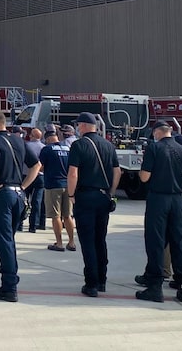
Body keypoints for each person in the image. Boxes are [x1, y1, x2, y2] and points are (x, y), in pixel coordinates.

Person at [0, 109, 40, 302]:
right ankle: (11, 279)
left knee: (3, 240)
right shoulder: (19, 141)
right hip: (19, 194)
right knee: (10, 239)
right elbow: (36, 165)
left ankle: (9, 285)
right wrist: (23, 186)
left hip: (3, 194)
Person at [134, 121, 182, 303]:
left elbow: (145, 177)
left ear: (157, 133)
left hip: (158, 198)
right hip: (177, 199)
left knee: (156, 242)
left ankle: (155, 286)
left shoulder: (154, 148)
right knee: (179, 241)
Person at [67, 111, 121, 297]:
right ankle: (102, 280)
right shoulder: (108, 145)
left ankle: (91, 283)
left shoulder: (78, 145)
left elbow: (73, 173)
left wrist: (71, 194)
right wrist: (111, 192)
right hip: (103, 196)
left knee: (88, 241)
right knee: (100, 239)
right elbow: (117, 171)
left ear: (82, 126)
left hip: (85, 196)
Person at [39, 128, 76, 252]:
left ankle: (59, 243)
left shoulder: (47, 149)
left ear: (48, 139)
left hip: (53, 185)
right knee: (68, 215)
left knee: (56, 216)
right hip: (67, 185)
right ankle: (71, 242)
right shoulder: (67, 149)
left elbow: (41, 167)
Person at [25, 127, 45, 232]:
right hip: (40, 176)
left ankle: (19, 223)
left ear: (31, 136)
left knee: (24, 200)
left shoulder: (26, 146)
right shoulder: (44, 147)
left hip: (27, 176)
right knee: (37, 201)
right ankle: (34, 225)